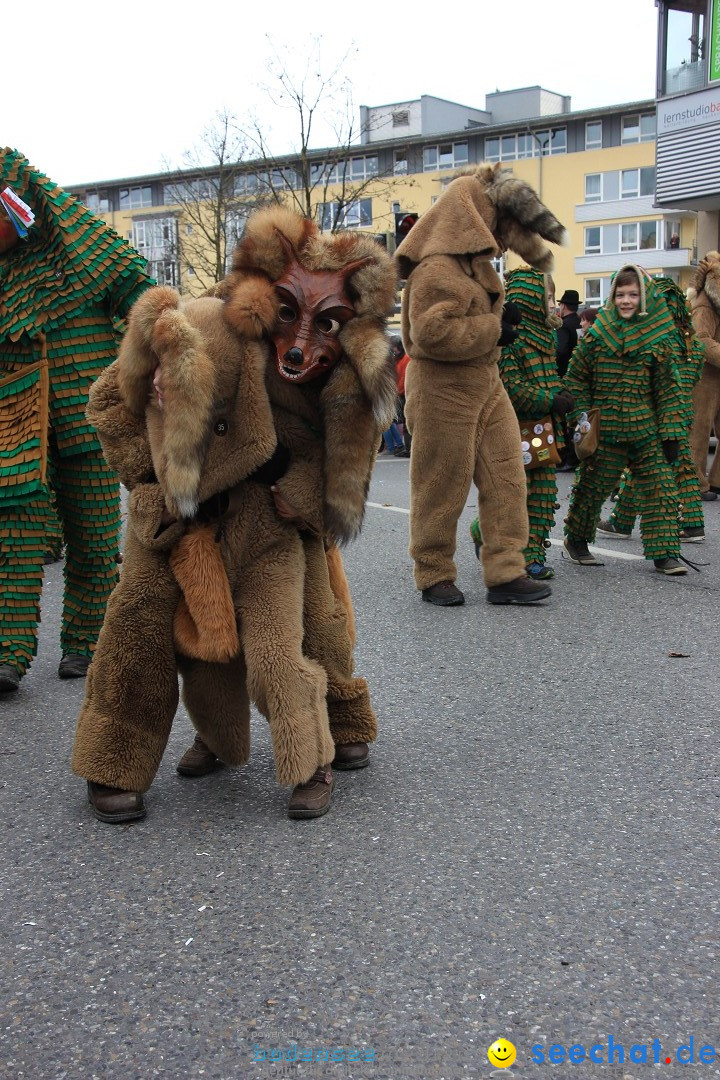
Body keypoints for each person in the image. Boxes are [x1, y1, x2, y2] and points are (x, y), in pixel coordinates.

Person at [72, 206, 397, 822]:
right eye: (288, 311)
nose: (302, 339)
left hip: (268, 514)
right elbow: (112, 399)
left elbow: (340, 478)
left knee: (307, 621)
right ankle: (120, 755)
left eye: (327, 322)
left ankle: (329, 736)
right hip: (175, 513)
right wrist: (151, 480)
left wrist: (293, 488)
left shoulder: (350, 385)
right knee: (140, 621)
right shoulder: (210, 322)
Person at [0, 148, 152, 695]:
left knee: (92, 533)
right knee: (13, 533)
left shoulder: (81, 245)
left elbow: (137, 292)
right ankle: (7, 650)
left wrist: (156, 353)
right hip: (14, 420)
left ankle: (87, 643)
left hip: (88, 413)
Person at [395, 163, 565, 606]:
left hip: (486, 382)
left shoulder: (480, 268)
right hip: (441, 388)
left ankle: (506, 570)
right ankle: (433, 571)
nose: (504, 236)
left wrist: (494, 326)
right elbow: (430, 335)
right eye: (498, 222)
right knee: (440, 484)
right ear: (475, 216)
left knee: (508, 475)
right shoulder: (435, 270)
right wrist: (495, 328)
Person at [563, 265, 688, 576]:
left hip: (646, 430)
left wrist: (671, 433)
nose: (626, 300)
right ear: (612, 296)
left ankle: (664, 553)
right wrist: (582, 419)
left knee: (661, 488)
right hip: (606, 431)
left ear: (644, 298)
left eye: (633, 294)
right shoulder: (596, 338)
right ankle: (576, 541)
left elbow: (668, 388)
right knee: (592, 488)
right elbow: (576, 379)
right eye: (621, 294)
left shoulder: (658, 339)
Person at [471, 267, 572, 580]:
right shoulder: (511, 339)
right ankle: (483, 531)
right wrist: (549, 400)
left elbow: (549, 380)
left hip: (543, 431)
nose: (553, 304)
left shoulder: (547, 334)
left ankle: (531, 558)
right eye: (548, 297)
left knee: (542, 494)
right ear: (531, 299)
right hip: (514, 429)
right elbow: (511, 387)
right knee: (516, 494)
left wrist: (563, 395)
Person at [597, 276, 705, 543]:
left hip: (661, 414)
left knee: (677, 466)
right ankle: (622, 521)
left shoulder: (664, 340)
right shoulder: (690, 342)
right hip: (680, 412)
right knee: (646, 465)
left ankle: (691, 524)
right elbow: (692, 377)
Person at [687, 251, 720, 501]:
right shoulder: (705, 301)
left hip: (717, 373)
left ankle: (717, 479)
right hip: (703, 376)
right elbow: (701, 340)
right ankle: (694, 482)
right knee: (699, 429)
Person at [391, 336, 412, 457]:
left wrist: (398, 391)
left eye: (394, 348)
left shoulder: (406, 358)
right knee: (404, 423)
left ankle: (410, 449)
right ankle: (408, 448)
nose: (393, 350)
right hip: (400, 394)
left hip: (405, 394)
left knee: (407, 423)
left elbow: (405, 379)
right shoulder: (399, 359)